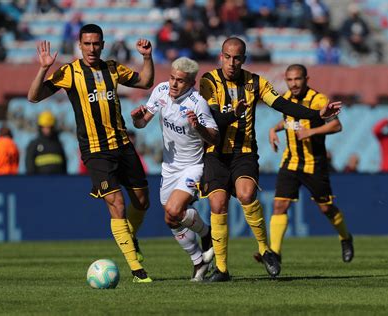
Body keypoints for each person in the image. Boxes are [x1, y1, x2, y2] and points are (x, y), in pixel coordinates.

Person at [199, 37, 341, 281]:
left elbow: (284, 105)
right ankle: (221, 269)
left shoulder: (255, 82)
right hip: (214, 152)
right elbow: (212, 119)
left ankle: (265, 249)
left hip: (243, 151)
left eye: (237, 58)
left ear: (244, 59)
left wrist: (317, 114)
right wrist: (234, 113)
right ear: (221, 56)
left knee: (246, 195)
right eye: (228, 57)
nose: (232, 62)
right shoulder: (208, 82)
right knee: (217, 204)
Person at [27, 24, 155, 283]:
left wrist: (147, 57)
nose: (92, 48)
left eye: (96, 43)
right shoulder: (70, 72)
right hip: (95, 150)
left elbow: (145, 81)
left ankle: (131, 238)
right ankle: (137, 270)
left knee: (142, 202)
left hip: (122, 144)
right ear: (80, 45)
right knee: (117, 204)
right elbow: (33, 96)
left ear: (103, 44)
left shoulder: (112, 68)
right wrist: (43, 68)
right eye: (87, 44)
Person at [254, 64, 353, 277]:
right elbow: (289, 121)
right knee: (279, 205)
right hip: (290, 162)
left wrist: (312, 131)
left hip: (314, 163)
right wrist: (274, 129)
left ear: (306, 79)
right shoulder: (287, 99)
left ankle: (345, 238)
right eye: (289, 80)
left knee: (326, 209)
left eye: (297, 79)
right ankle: (275, 254)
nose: (293, 84)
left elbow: (336, 126)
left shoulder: (318, 100)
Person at [131, 57, 219, 281]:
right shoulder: (161, 91)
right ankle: (199, 261)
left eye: (180, 81)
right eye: (172, 78)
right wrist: (137, 120)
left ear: (191, 83)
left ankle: (207, 234)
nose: (173, 84)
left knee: (174, 209)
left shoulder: (198, 103)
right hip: (169, 167)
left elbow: (215, 138)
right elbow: (142, 123)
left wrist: (197, 126)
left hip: (193, 166)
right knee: (170, 219)